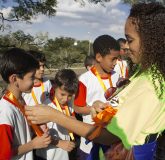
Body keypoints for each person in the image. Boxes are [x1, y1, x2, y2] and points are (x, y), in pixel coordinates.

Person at [25, 2, 165, 160]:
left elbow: (109, 136)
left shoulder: (151, 85)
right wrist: (105, 108)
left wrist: (55, 116)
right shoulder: (143, 71)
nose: (125, 47)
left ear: (150, 40)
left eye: (129, 40)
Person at [74, 35, 120, 159]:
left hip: (113, 139)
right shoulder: (84, 79)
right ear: (99, 57)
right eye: (113, 59)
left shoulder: (117, 75)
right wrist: (94, 109)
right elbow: (77, 108)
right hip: (91, 141)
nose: (116, 63)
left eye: (118, 59)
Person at [0, 48, 51, 160]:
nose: (35, 81)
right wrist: (33, 144)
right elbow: (3, 154)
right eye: (31, 77)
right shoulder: (5, 111)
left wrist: (35, 129)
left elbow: (20, 134)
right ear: (14, 79)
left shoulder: (20, 100)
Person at [35, 69, 78, 160]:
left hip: (64, 154)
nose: (66, 99)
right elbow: (39, 134)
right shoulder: (45, 107)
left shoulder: (69, 105)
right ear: (54, 87)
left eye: (70, 95)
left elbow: (73, 121)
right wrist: (59, 143)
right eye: (62, 94)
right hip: (47, 156)